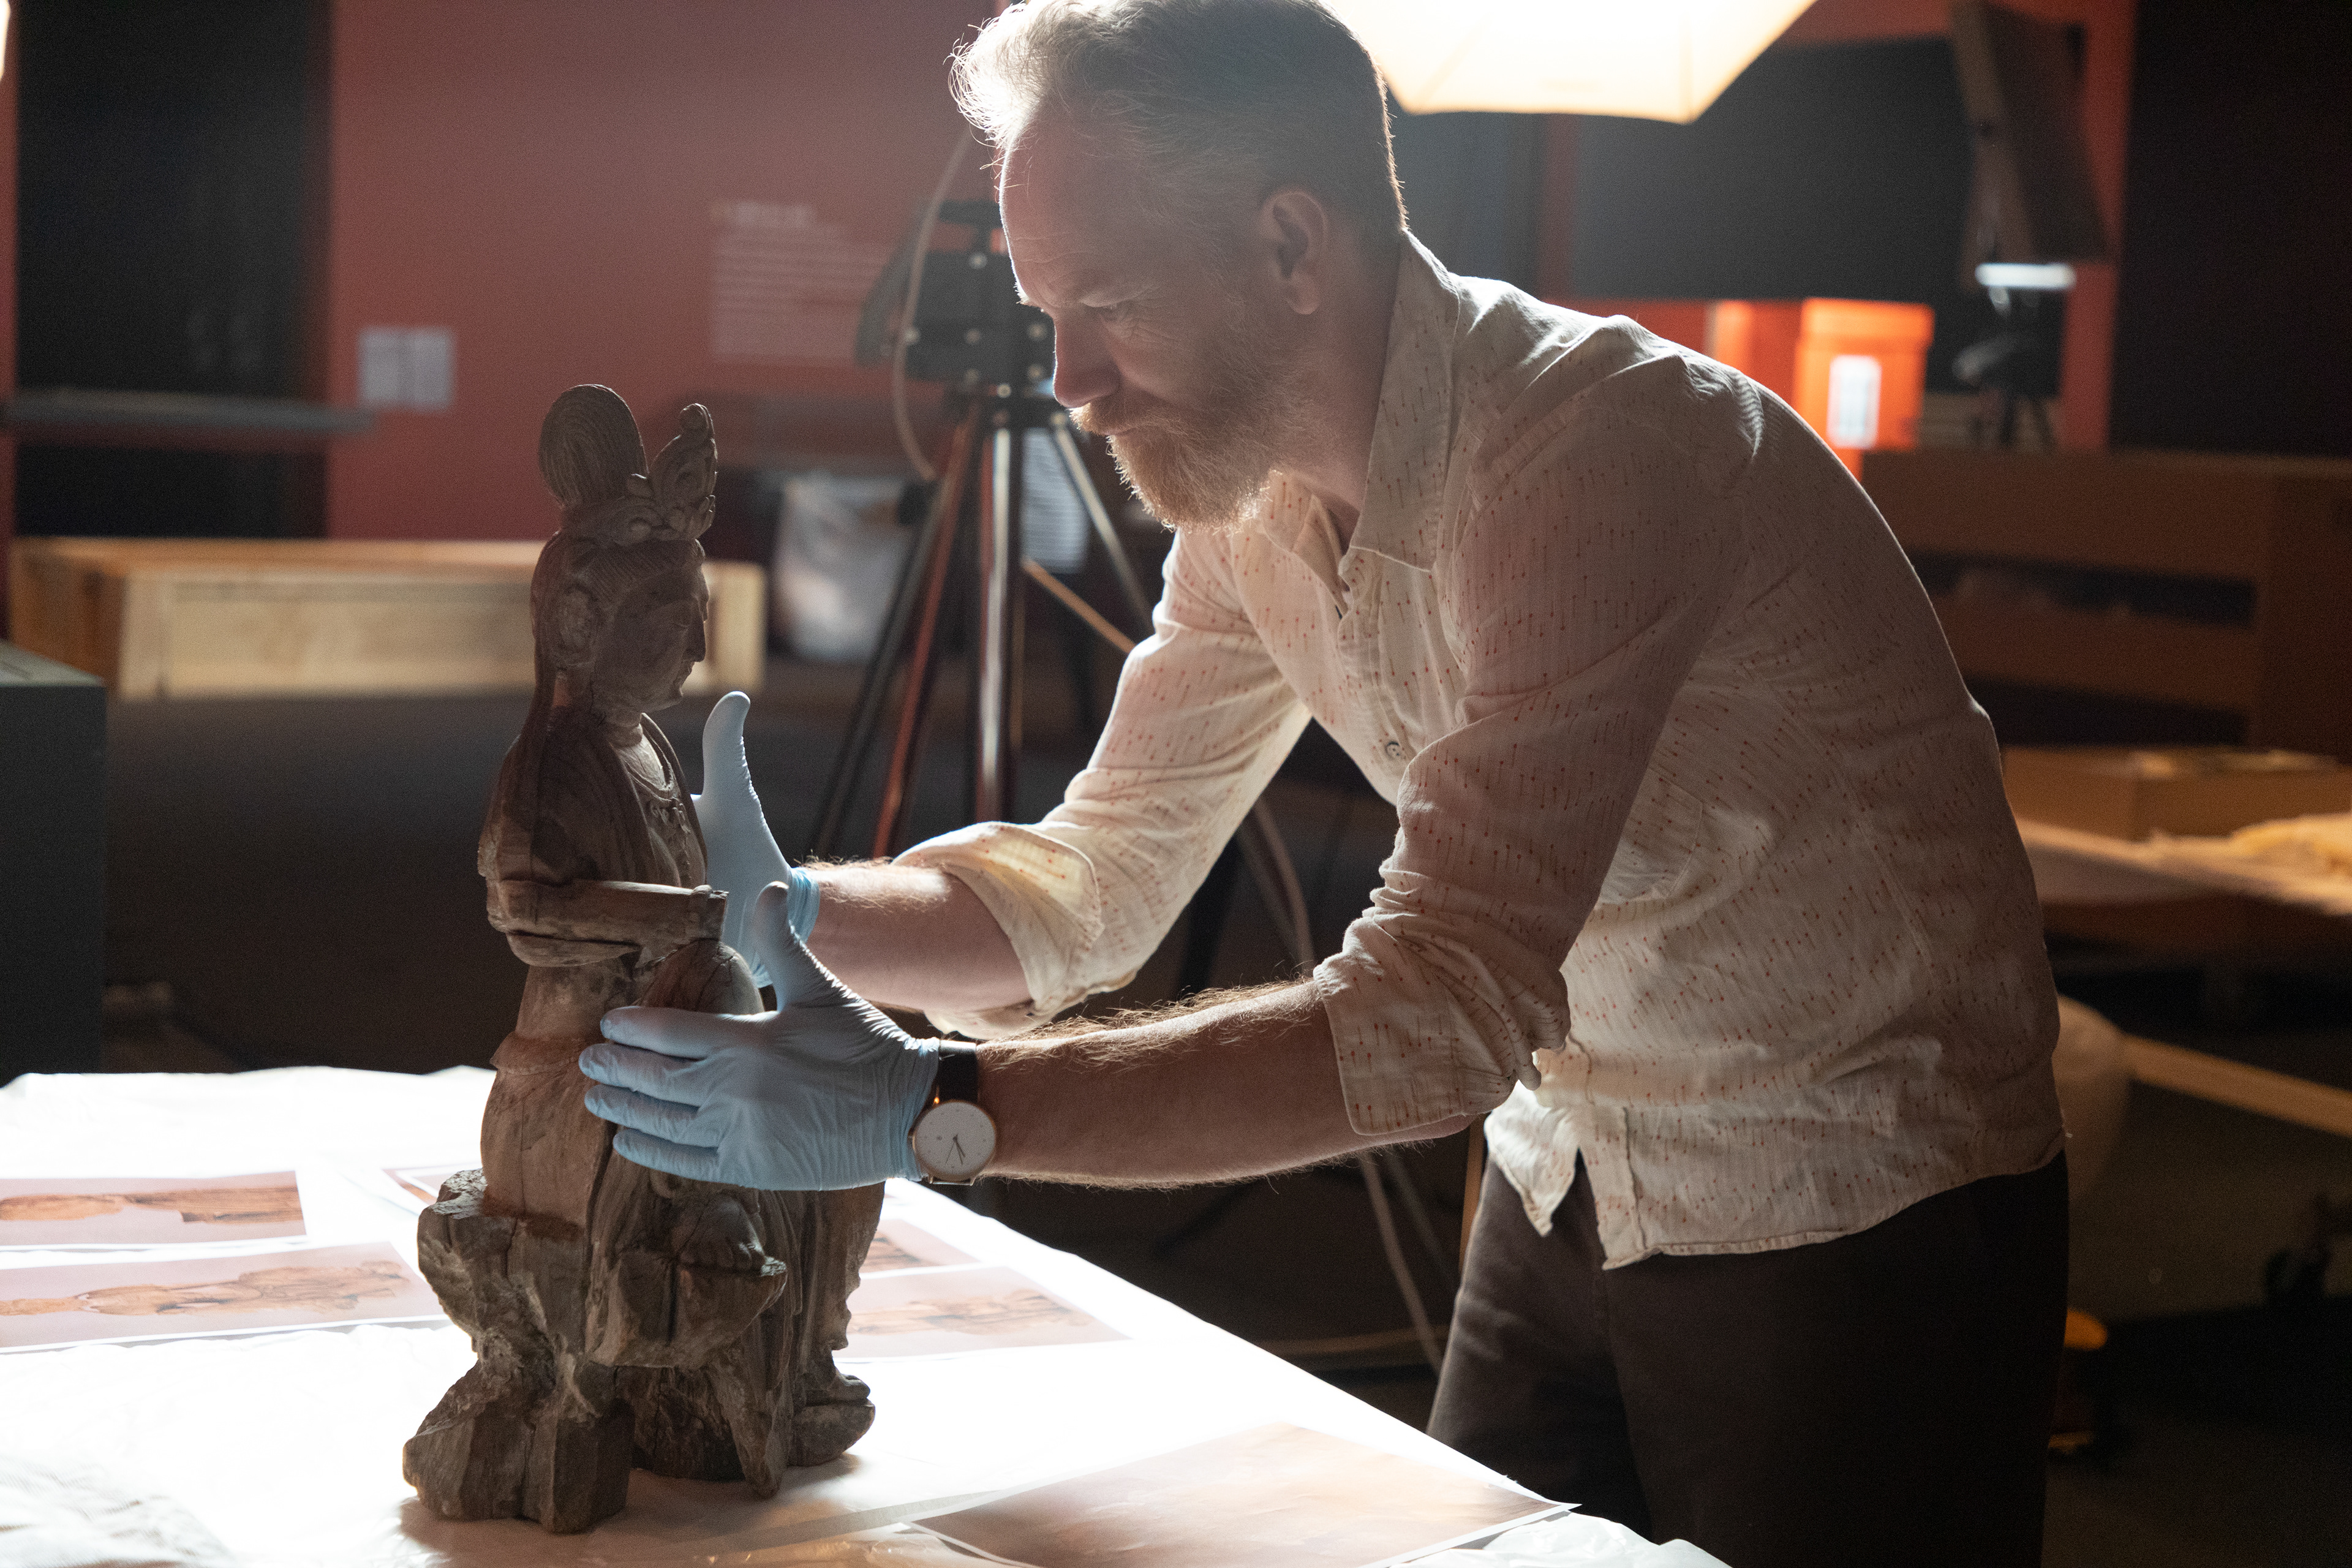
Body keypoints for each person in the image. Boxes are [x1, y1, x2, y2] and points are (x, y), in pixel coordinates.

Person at [576, 3, 2070, 1562]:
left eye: (1110, 304)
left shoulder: (1597, 450)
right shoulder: (1252, 489)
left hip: (1847, 1180)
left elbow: (1439, 1010)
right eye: (1047, 312)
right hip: (1568, 1158)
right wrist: (783, 911)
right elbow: (1102, 875)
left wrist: (932, 1110)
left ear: (1292, 245)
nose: (1071, 380)